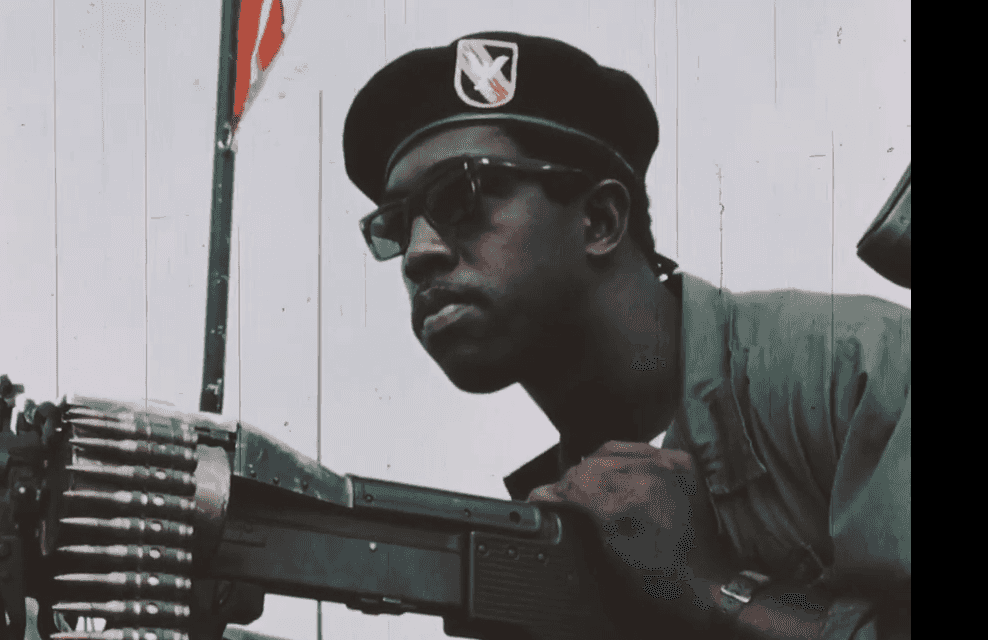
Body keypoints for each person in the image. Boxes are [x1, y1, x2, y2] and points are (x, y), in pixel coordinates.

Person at [342, 32, 910, 639]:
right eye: (396, 226)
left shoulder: (861, 373)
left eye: (461, 195)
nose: (418, 254)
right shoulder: (556, 526)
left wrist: (710, 590)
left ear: (600, 220)